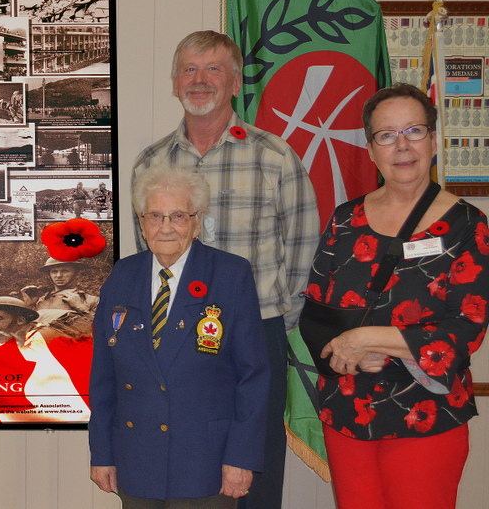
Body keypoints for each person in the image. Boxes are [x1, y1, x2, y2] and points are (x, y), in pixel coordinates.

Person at [131, 30, 319, 509]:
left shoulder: (274, 156)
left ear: (235, 81)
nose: (200, 80)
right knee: (183, 459)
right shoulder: (151, 162)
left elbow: (303, 250)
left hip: (255, 334)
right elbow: (146, 255)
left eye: (213, 69)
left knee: (254, 466)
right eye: (189, 70)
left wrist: (272, 324)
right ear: (174, 83)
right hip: (171, 338)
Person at [303, 83, 486, 509]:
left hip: (427, 419)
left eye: (414, 131)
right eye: (386, 135)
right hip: (348, 412)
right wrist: (345, 348)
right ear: (371, 149)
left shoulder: (468, 227)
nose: (402, 146)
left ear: (434, 140)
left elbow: (466, 329)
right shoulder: (345, 220)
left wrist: (366, 339)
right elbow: (315, 313)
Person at [91, 163, 269, 508]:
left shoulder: (230, 275)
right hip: (136, 460)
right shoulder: (122, 276)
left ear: (198, 221)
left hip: (206, 463)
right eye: (155, 216)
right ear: (141, 222)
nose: (166, 228)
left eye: (178, 216)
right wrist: (103, 452)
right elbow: (103, 376)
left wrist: (241, 457)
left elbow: (253, 377)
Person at [24, 257, 99, 314]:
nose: (59, 275)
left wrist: (82, 308)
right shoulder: (40, 301)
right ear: (49, 274)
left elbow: (101, 329)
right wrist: (30, 306)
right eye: (54, 271)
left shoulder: (92, 301)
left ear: (76, 273)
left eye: (65, 271)